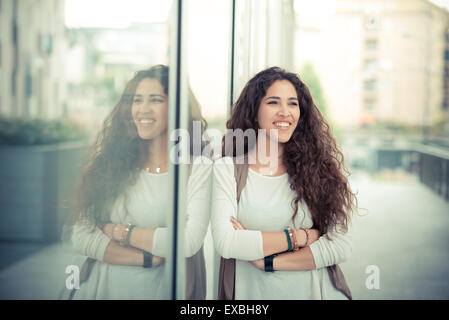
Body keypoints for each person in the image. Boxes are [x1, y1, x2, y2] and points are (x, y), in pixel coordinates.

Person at [65, 65, 212, 299]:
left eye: (155, 100)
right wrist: (148, 257)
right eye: (136, 100)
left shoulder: (197, 169)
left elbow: (187, 242)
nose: (143, 109)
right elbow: (81, 236)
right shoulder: (110, 164)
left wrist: (115, 230)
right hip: (103, 288)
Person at [211, 66, 358, 300]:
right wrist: (300, 237)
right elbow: (227, 242)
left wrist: (267, 262)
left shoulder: (319, 170)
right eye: (273, 102)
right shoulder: (226, 170)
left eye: (292, 103)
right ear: (254, 111)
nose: (285, 112)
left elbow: (340, 245)